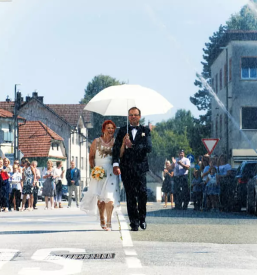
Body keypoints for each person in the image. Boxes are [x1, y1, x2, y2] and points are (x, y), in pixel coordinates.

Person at [112, 107, 152, 231]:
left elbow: (148, 147)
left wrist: (132, 145)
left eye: (135, 115)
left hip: (140, 168)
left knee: (142, 194)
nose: (133, 117)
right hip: (126, 168)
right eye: (131, 115)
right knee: (130, 196)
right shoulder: (123, 130)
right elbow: (116, 149)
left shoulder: (145, 130)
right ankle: (133, 222)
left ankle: (142, 218)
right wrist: (115, 164)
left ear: (139, 116)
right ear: (128, 117)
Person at [80, 120, 120, 231]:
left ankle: (109, 222)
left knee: (109, 198)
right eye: (108, 128)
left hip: (111, 173)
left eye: (112, 128)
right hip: (99, 172)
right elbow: (91, 157)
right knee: (101, 198)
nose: (111, 130)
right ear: (103, 129)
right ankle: (102, 217)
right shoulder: (96, 141)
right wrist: (94, 170)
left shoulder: (116, 142)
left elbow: (120, 154)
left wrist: (125, 143)